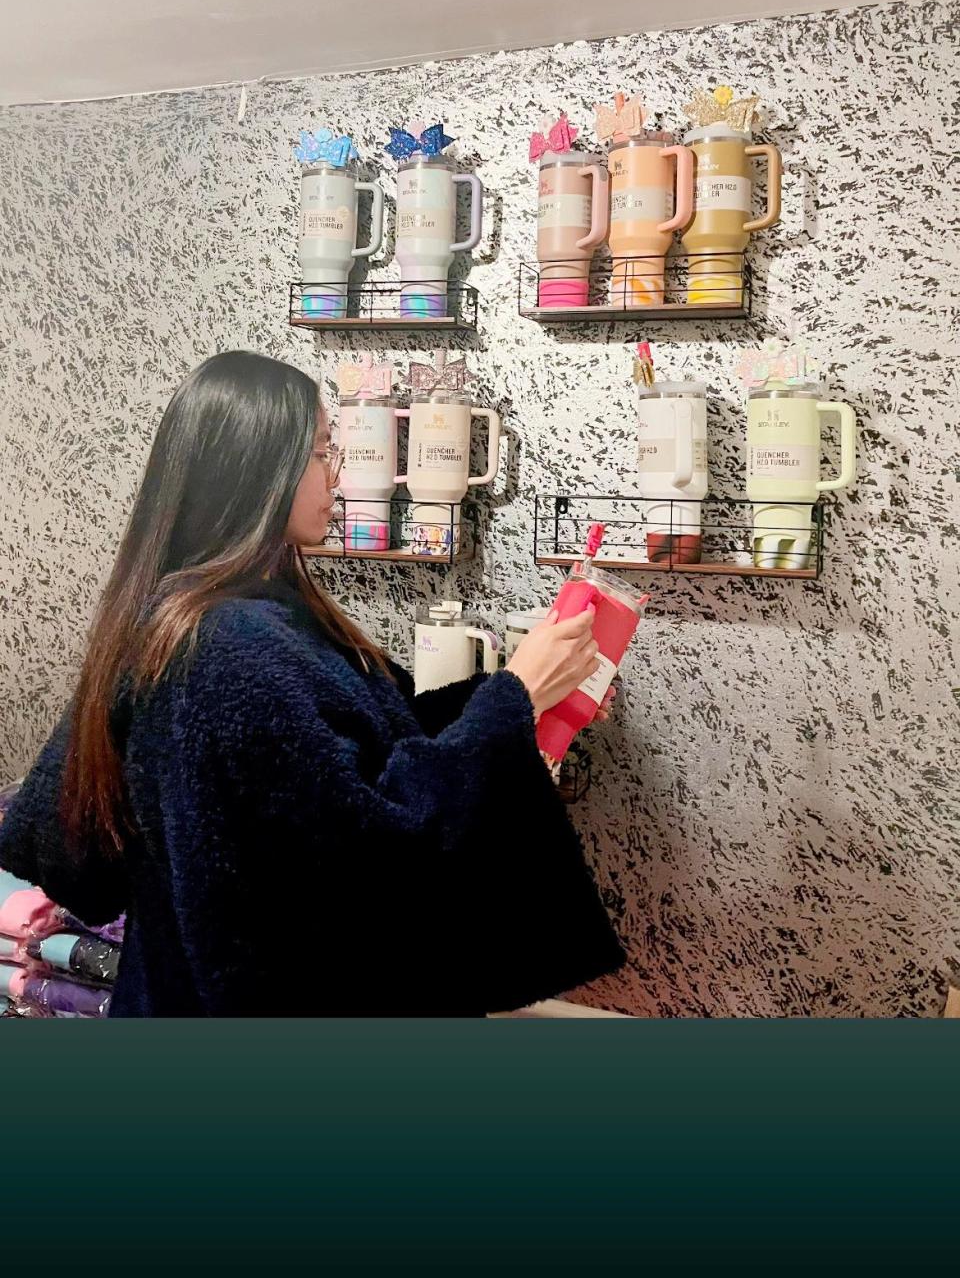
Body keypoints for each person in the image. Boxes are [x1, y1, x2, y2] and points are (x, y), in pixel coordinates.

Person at [0, 351, 626, 1016]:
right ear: (258, 470)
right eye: (322, 451)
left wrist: (521, 698)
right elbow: (365, 851)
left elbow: (362, 749)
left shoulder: (229, 617)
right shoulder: (226, 647)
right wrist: (515, 697)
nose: (337, 472)